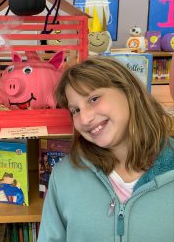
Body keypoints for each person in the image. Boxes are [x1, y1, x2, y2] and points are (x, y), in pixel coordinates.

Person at [37, 55, 174, 242]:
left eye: (93, 99)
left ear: (128, 91)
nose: (84, 119)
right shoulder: (64, 176)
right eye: (75, 110)